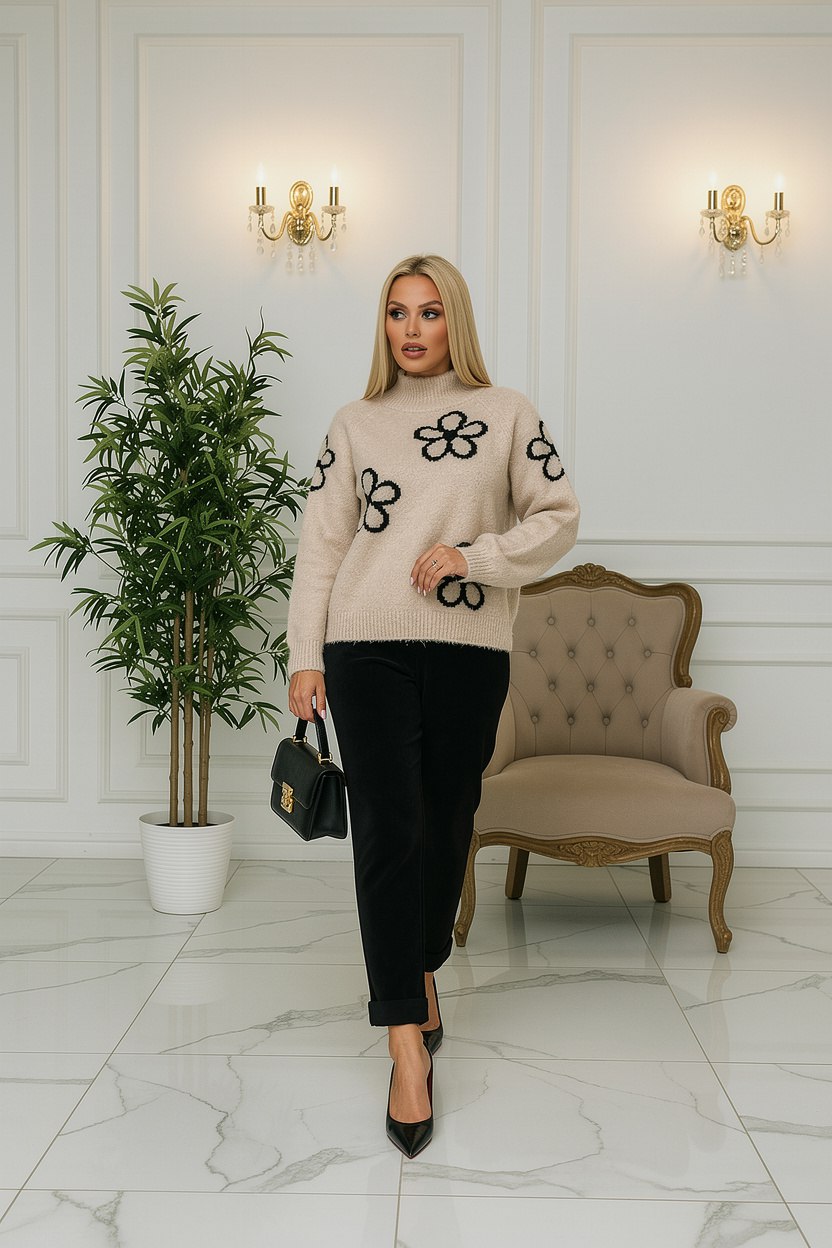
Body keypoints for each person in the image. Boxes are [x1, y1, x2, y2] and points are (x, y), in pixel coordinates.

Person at [287, 254, 579, 1158]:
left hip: (468, 650)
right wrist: (305, 656)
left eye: (428, 313)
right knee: (386, 830)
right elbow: (321, 544)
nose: (411, 330)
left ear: (455, 320)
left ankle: (420, 971)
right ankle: (404, 1042)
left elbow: (558, 515)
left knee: (447, 821)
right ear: (383, 326)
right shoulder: (355, 423)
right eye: (396, 314)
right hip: (365, 645)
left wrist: (474, 557)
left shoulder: (506, 413)